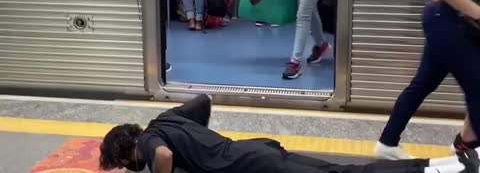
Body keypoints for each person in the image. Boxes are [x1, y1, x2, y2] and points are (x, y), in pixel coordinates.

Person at [99, 94, 480, 173]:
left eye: (121, 165)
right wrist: (200, 143)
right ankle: (448, 164)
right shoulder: (166, 118)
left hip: (254, 167)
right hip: (254, 153)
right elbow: (203, 101)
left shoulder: (149, 143)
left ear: (126, 150)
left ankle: (442, 169)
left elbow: (163, 158)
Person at [375, 0, 480, 160]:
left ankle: (388, 143)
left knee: (424, 83)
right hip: (446, 20)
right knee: (477, 86)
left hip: (465, 22)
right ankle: (469, 147)